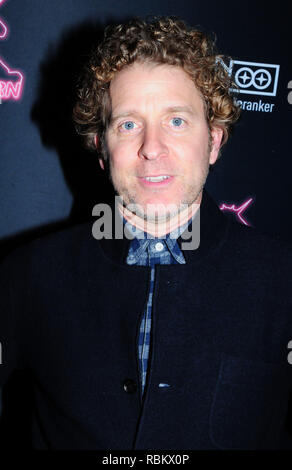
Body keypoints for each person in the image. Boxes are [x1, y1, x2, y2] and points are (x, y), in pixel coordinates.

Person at [0, 16, 292, 450]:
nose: (151, 148)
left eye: (176, 121)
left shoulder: (283, 280)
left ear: (213, 141)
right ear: (101, 149)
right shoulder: (27, 275)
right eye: (128, 124)